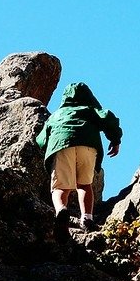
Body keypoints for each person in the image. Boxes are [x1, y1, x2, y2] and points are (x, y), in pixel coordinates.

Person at [36, 82, 122, 243]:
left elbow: (41, 140)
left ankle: (61, 211)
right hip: (87, 145)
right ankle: (87, 218)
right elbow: (108, 118)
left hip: (62, 146)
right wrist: (115, 139)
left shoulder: (57, 115)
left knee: (60, 187)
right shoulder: (89, 110)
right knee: (84, 184)